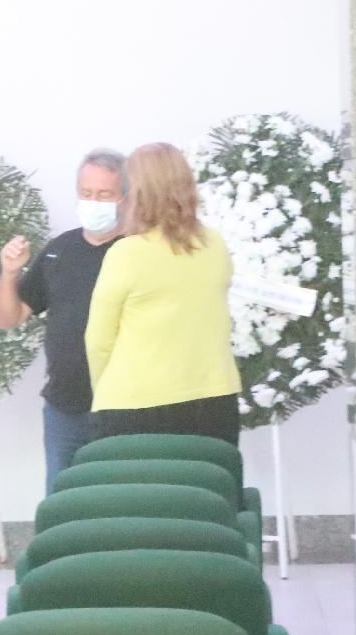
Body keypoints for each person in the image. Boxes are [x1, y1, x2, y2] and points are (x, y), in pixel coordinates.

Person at [82, 142, 241, 444]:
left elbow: (99, 341)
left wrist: (106, 389)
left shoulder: (126, 253)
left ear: (136, 193)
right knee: (210, 489)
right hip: (214, 400)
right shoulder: (215, 245)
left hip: (134, 405)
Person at [0, 149, 127, 493]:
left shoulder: (136, 251)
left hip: (125, 408)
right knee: (62, 501)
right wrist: (9, 274)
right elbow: (10, 317)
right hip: (64, 408)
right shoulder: (59, 250)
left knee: (119, 501)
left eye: (104, 195)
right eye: (86, 194)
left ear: (125, 199)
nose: (93, 202)